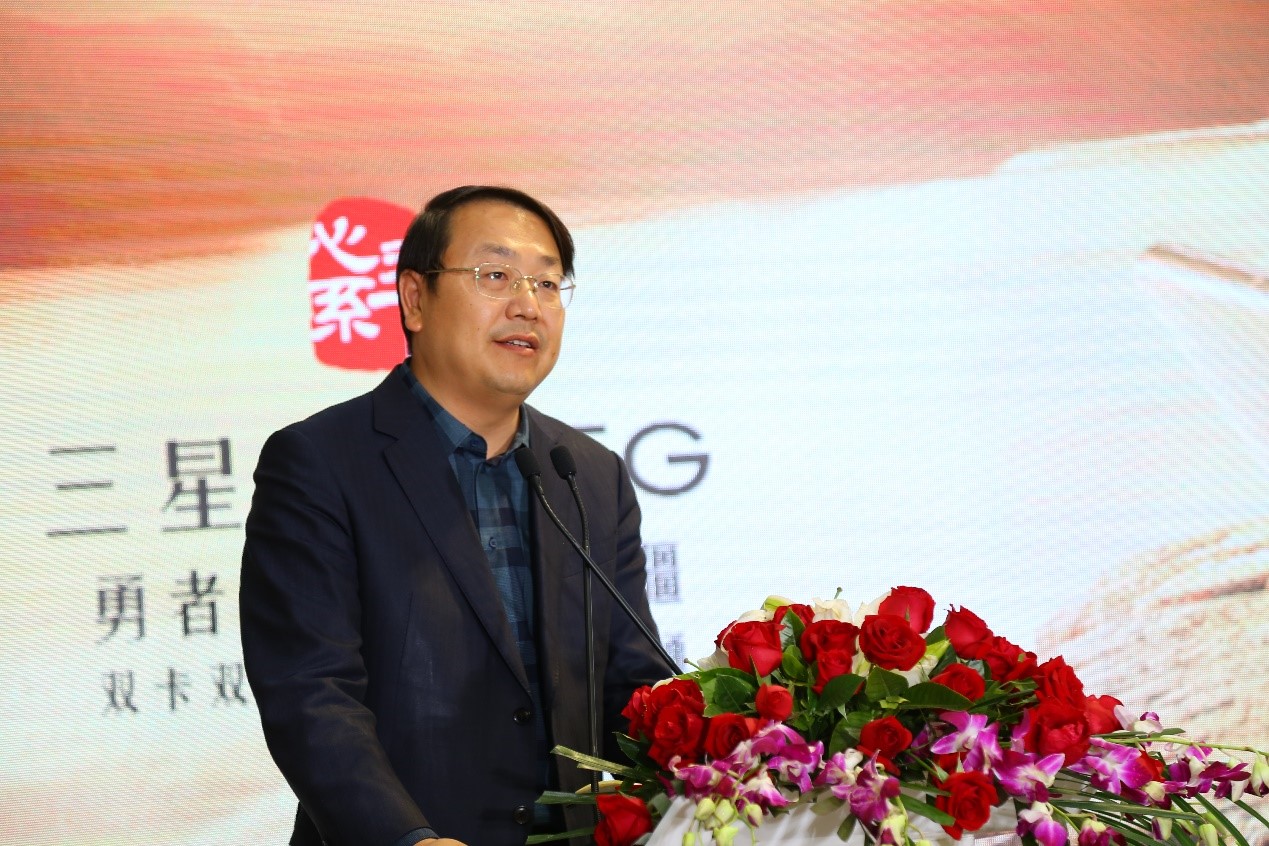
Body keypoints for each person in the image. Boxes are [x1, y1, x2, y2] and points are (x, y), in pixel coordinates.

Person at [240, 186, 671, 846]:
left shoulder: (588, 473)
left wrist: (750, 754)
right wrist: (407, 838)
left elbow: (631, 686)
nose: (527, 304)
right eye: (495, 275)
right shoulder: (321, 462)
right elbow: (311, 693)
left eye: (548, 283)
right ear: (415, 298)